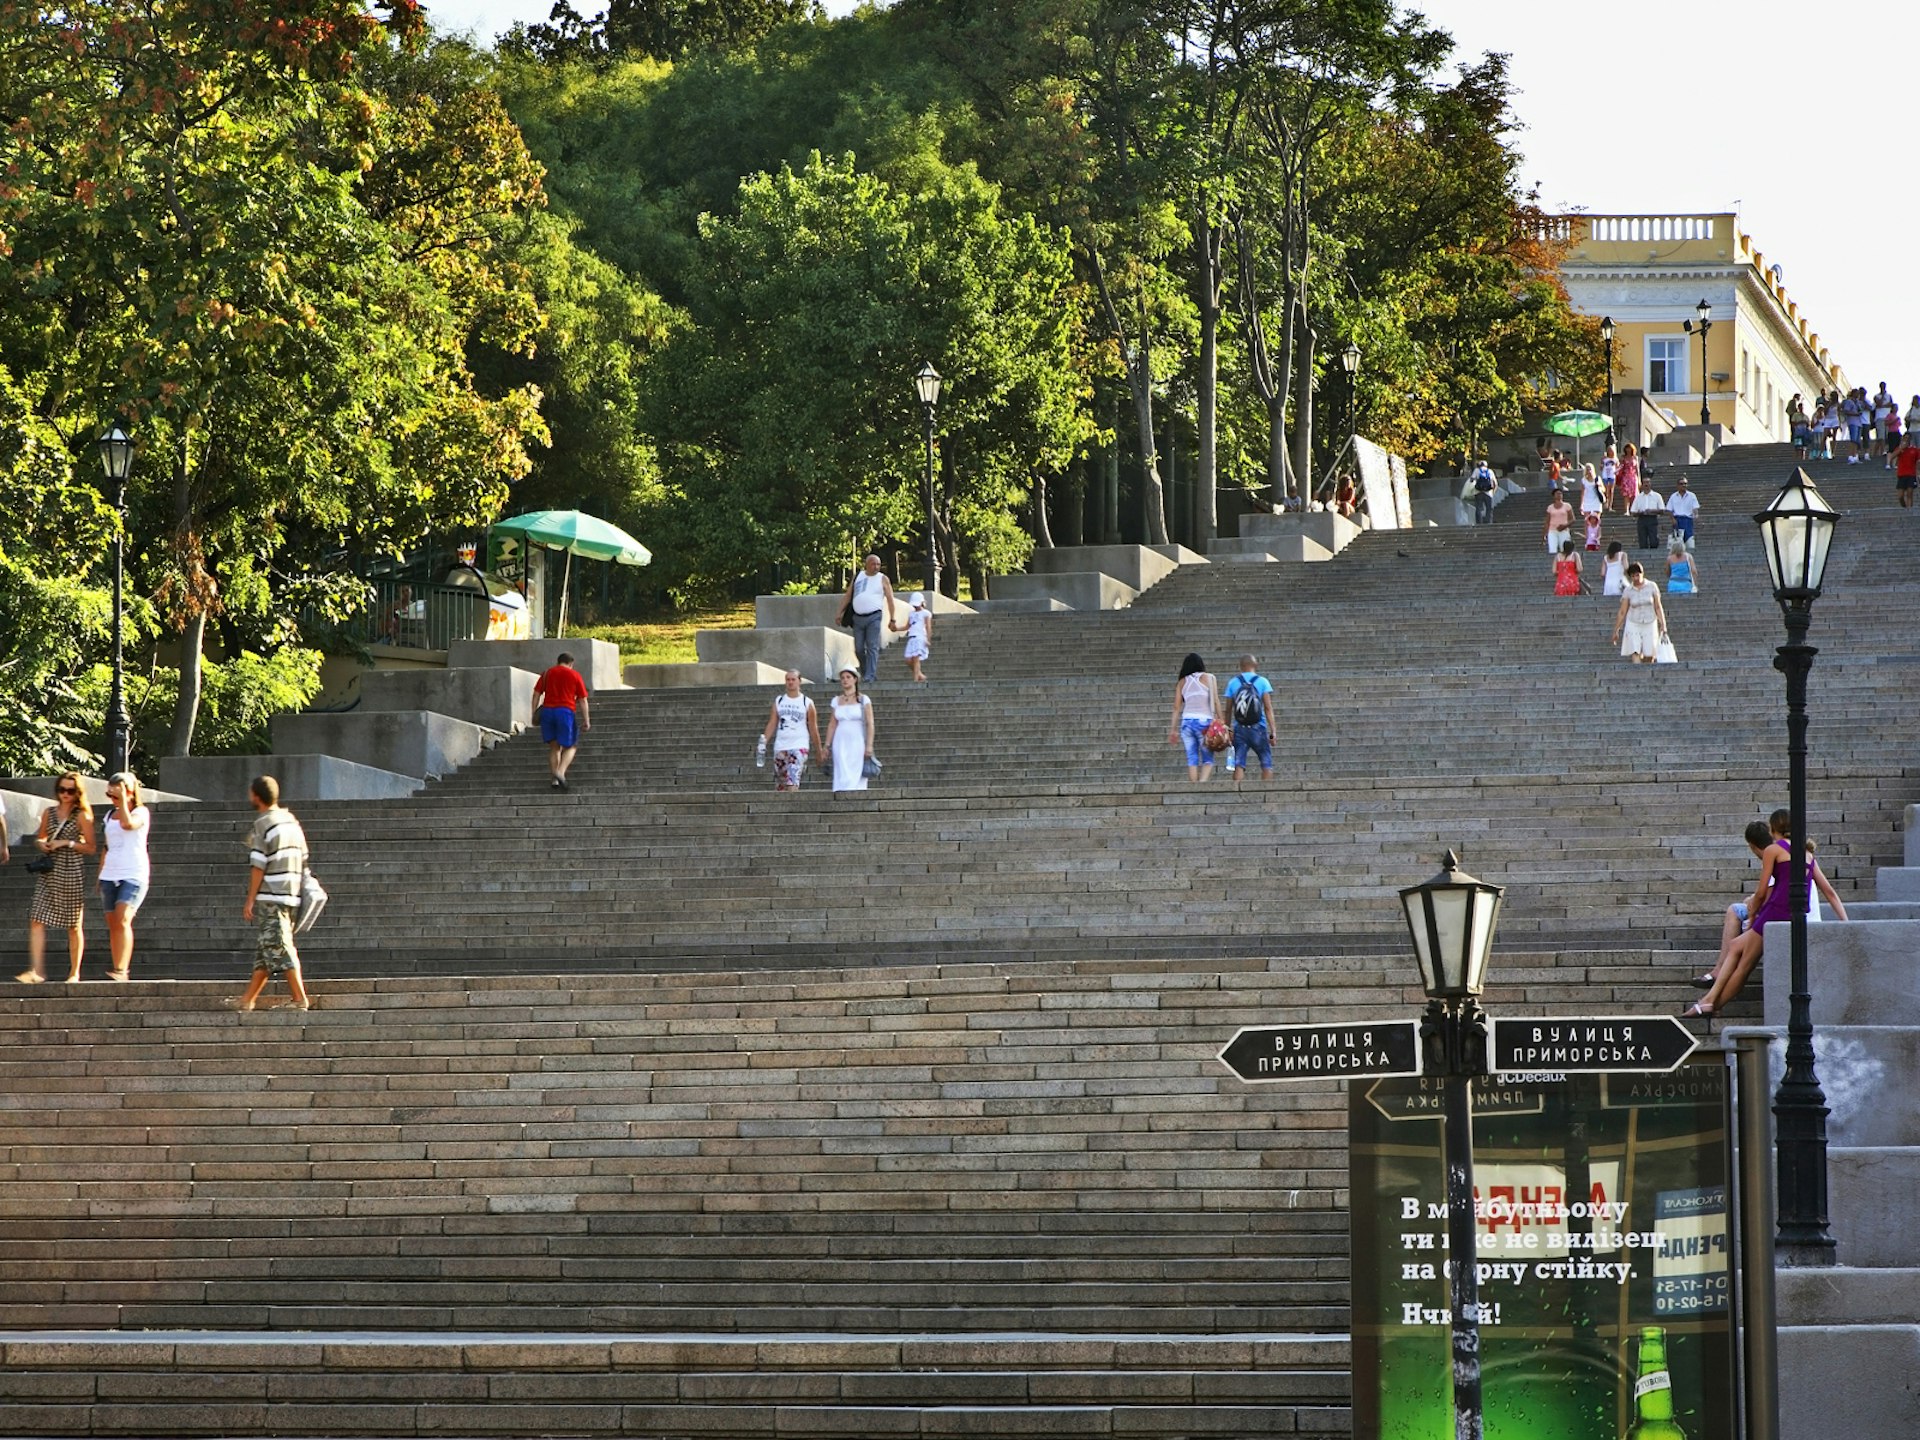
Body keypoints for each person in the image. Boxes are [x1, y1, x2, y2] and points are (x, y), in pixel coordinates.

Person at [1690, 815, 1847, 1017]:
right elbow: (1830, 892)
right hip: (1793, 913)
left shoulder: (1773, 850)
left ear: (1773, 830)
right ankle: (1709, 1002)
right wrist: (1845, 924)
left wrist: (1753, 914)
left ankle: (1711, 1004)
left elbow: (1762, 892)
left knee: (1744, 964)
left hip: (1776, 912)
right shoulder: (1806, 853)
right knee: (1737, 946)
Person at [238, 775, 311, 1012]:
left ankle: (300, 999)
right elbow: (304, 857)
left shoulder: (263, 823)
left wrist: (250, 899)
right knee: (266, 950)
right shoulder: (291, 821)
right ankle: (246, 1000)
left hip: (272, 895)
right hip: (291, 894)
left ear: (256, 796)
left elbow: (258, 864)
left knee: (280, 946)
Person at [18, 773, 94, 984]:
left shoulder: (82, 816)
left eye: (70, 791)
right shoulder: (49, 812)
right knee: (36, 918)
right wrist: (41, 844)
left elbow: (91, 847)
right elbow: (41, 836)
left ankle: (74, 972)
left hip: (71, 871)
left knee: (74, 924)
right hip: (49, 870)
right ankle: (37, 970)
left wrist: (66, 843)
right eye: (62, 790)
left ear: (78, 792)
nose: (65, 794)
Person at [97, 771, 150, 982]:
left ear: (130, 792)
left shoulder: (141, 812)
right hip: (110, 872)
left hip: (134, 872)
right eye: (111, 795)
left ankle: (121, 970)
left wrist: (124, 803)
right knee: (112, 921)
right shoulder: (109, 815)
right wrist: (99, 873)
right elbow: (107, 845)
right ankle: (117, 966)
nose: (113, 799)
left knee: (123, 917)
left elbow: (129, 825)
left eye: (117, 793)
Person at [531, 652, 591, 791]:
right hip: (565, 712)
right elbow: (582, 699)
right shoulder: (574, 675)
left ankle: (554, 779)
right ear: (571, 664)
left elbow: (536, 694)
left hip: (547, 712)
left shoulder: (547, 674)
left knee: (554, 747)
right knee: (571, 746)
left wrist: (533, 712)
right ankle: (560, 772)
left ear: (558, 662)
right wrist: (586, 720)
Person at [835, 554, 898, 684]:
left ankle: (870, 675)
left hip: (874, 616)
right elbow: (848, 595)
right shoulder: (859, 576)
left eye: (878, 565)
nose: (876, 567)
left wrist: (892, 619)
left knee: (872, 646)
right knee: (858, 648)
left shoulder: (883, 578)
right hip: (857, 618)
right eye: (873, 564)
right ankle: (865, 671)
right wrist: (839, 612)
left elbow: (890, 599)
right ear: (867, 564)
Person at [758, 670, 823, 792]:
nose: (790, 682)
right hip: (781, 745)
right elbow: (772, 723)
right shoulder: (779, 701)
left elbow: (813, 728)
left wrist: (818, 750)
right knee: (781, 786)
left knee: (792, 781)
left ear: (799, 681)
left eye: (793, 679)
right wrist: (764, 742)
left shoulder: (807, 703)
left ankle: (793, 805)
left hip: (799, 745)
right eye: (788, 680)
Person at [1221, 655, 1276, 787]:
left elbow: (1228, 710)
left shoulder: (1233, 683)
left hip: (1240, 728)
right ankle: (1266, 792)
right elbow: (1268, 708)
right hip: (1259, 728)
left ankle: (1236, 793)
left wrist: (1227, 730)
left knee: (1239, 764)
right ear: (1255, 665)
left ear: (1241, 666)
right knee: (1266, 763)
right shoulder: (1262, 682)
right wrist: (1273, 731)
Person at [1167, 652, 1221, 784]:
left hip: (1187, 722)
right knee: (1207, 758)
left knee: (1192, 758)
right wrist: (1222, 719)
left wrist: (1173, 729)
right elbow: (1216, 701)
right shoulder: (1209, 678)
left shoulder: (1181, 682)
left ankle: (1194, 786)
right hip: (1204, 722)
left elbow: (1176, 707)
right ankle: (1202, 784)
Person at [825, 666, 875, 792]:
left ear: (855, 679)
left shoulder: (863, 699)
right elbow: (832, 724)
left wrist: (869, 745)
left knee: (855, 767)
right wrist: (827, 745)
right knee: (841, 766)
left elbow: (870, 723)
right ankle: (840, 792)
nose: (845, 680)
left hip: (857, 739)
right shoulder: (836, 701)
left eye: (848, 677)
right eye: (842, 678)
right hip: (840, 740)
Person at [1610, 561, 1667, 663]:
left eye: (1637, 575)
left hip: (1650, 621)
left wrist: (1663, 624)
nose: (1636, 578)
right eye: (1633, 576)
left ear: (1642, 574)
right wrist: (1616, 629)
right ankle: (1637, 669)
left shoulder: (1652, 586)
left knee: (1649, 655)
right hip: (1633, 622)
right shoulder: (1628, 590)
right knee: (1635, 650)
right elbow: (1623, 611)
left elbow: (1658, 607)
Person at [894, 591, 933, 682]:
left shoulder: (926, 613)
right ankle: (919, 675)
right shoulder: (911, 614)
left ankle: (915, 680)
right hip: (911, 637)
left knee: (916, 658)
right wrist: (897, 628)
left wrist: (928, 639)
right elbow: (907, 626)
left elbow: (928, 627)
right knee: (908, 659)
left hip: (920, 637)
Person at [1630, 474, 1664, 551]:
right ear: (1642, 484)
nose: (1646, 484)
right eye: (1644, 482)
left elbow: (1662, 510)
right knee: (1642, 540)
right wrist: (1640, 512)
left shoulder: (1657, 496)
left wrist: (1651, 511)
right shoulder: (1638, 497)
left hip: (1652, 518)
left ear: (1650, 484)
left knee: (1653, 540)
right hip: (1642, 519)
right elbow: (1633, 511)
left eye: (1648, 482)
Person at [1665, 476, 1699, 550]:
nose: (1684, 485)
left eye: (1685, 484)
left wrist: (1696, 515)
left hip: (1688, 520)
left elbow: (1695, 507)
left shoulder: (1692, 496)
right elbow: (1669, 509)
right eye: (1681, 484)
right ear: (1677, 485)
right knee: (1677, 542)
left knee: (1689, 541)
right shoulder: (1673, 496)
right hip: (1677, 520)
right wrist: (1672, 519)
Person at [1543, 487, 1573, 559]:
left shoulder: (1567, 506)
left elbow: (1572, 519)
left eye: (1560, 493)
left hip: (1564, 530)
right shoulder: (1550, 507)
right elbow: (1547, 521)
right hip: (1552, 530)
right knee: (1552, 549)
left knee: (1564, 549)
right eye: (1557, 494)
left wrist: (1565, 525)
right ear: (1554, 496)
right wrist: (1545, 534)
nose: (1559, 495)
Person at [1896, 433, 1920, 508]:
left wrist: (1918, 472)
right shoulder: (1899, 449)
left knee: (1910, 493)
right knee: (1900, 496)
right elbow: (1892, 456)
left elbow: (1918, 461)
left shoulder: (1915, 450)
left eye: (1908, 438)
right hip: (1901, 474)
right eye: (1905, 438)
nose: (1906, 439)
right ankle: (1905, 507)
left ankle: (1909, 509)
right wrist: (1901, 449)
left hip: (1911, 474)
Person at [1470, 458, 1496, 525]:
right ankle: (1488, 522)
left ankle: (1479, 523)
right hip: (1488, 493)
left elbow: (1471, 480)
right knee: (1489, 508)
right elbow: (1495, 483)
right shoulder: (1490, 471)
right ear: (1486, 466)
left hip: (1478, 492)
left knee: (1479, 508)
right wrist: (1493, 492)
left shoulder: (1476, 470)